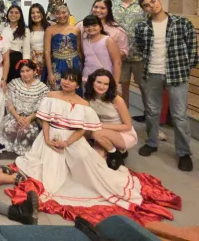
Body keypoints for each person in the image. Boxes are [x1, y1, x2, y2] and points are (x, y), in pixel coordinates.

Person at [10, 69, 179, 224]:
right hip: (49, 138)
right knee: (46, 173)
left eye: (72, 80)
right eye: (64, 79)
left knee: (87, 164)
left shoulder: (83, 104)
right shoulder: (52, 95)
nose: (67, 83)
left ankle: (116, 155)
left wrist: (67, 143)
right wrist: (47, 139)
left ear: (77, 85)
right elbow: (45, 119)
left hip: (76, 138)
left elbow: (82, 129)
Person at [135, 0, 198, 172]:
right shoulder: (142, 26)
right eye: (146, 5)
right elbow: (141, 47)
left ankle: (184, 152)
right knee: (152, 111)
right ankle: (152, 142)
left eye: (153, 1)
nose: (151, 6)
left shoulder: (181, 22)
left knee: (179, 116)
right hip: (152, 73)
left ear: (159, 1)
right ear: (144, 10)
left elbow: (192, 48)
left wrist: (185, 68)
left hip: (177, 74)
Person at [85, 69, 137, 170]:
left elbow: (127, 126)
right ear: (92, 82)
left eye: (105, 84)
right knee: (94, 161)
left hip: (123, 134)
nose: (101, 86)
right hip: (103, 134)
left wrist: (101, 125)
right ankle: (113, 151)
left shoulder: (117, 100)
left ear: (110, 86)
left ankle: (115, 154)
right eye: (99, 82)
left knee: (96, 133)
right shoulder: (88, 98)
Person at [0, 60, 49, 156]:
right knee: (10, 128)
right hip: (15, 116)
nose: (25, 74)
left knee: (28, 131)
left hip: (32, 119)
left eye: (28, 70)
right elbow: (9, 103)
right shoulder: (14, 83)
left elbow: (41, 108)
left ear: (34, 71)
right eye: (22, 71)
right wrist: (18, 117)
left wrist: (29, 119)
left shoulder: (42, 88)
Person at [112, 0, 149, 109]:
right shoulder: (113, 6)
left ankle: (150, 122)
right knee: (122, 90)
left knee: (146, 89)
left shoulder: (144, 4)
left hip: (140, 56)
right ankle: (125, 122)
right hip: (120, 56)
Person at [44, 4, 82, 93]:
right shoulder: (50, 30)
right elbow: (47, 52)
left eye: (64, 12)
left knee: (73, 89)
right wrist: (50, 73)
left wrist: (82, 66)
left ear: (69, 13)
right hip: (56, 64)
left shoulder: (76, 29)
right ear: (54, 15)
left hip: (74, 64)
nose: (61, 16)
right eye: (57, 13)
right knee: (56, 89)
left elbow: (79, 50)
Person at [81, 15, 122, 84]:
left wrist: (115, 83)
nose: (90, 28)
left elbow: (117, 63)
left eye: (94, 25)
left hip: (105, 78)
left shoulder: (108, 40)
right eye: (87, 26)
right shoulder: (84, 41)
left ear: (100, 27)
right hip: (87, 77)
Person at [2, 5, 31, 81]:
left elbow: (26, 50)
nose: (13, 15)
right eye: (11, 12)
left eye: (16, 13)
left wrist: (26, 66)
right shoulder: (4, 29)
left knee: (15, 83)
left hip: (17, 60)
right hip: (4, 59)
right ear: (7, 14)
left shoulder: (25, 30)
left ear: (20, 15)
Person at [28, 4, 49, 82]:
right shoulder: (27, 29)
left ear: (42, 13)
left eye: (38, 12)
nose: (35, 15)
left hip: (47, 59)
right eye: (33, 13)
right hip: (33, 60)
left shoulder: (49, 27)